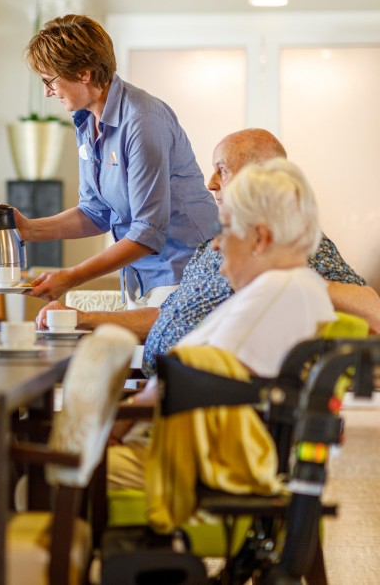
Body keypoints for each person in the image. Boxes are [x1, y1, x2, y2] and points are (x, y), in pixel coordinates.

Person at [35, 128, 380, 376]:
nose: (210, 182)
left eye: (222, 169)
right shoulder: (212, 249)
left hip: (190, 403)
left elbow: (373, 311)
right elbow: (164, 316)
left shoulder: (294, 246)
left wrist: (286, 275)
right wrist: (81, 319)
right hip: (158, 386)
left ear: (261, 176)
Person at [110, 158, 337, 493]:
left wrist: (116, 424)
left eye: (224, 229)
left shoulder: (278, 291)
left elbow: (187, 380)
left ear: (259, 239)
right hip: (185, 450)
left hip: (180, 464)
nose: (216, 245)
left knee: (36, 470)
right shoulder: (289, 288)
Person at [16, 14, 218, 309]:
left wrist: (71, 276)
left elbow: (148, 231)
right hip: (141, 276)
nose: (47, 91)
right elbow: (96, 212)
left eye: (50, 81)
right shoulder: (86, 121)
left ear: (84, 73)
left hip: (185, 273)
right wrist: (28, 230)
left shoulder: (141, 121)